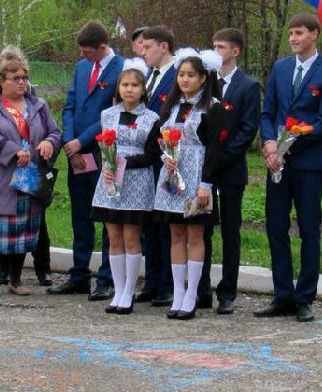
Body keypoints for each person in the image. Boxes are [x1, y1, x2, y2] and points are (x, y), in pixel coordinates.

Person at [255, 13, 322, 323]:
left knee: (308, 229)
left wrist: (291, 140)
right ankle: (282, 295)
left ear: (314, 35)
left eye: (299, 33)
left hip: (308, 163)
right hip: (276, 162)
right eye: (290, 33)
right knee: (276, 227)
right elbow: (268, 113)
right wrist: (269, 144)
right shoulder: (280, 68)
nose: (293, 38)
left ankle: (304, 297)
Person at [0, 46, 60, 298]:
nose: (21, 83)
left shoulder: (38, 105)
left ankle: (16, 279)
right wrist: (12, 151)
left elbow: (54, 131)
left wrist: (49, 143)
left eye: (24, 78)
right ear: (1, 80)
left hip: (29, 178)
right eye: (15, 78)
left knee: (23, 229)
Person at [48, 20, 123, 301]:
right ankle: (79, 273)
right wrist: (70, 140)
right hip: (76, 152)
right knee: (80, 214)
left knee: (106, 215)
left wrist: (85, 139)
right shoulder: (82, 68)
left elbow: (114, 112)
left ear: (102, 47)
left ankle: (106, 277)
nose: (83, 57)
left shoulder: (122, 68)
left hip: (103, 151)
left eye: (88, 52)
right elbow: (69, 105)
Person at [153, 49, 225, 320]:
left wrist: (206, 184)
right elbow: (159, 138)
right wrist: (165, 156)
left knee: (195, 236)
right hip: (172, 177)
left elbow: (215, 149)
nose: (185, 80)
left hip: (197, 177)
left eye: (191, 75)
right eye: (181, 74)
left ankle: (193, 293)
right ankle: (178, 293)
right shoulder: (171, 106)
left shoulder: (213, 107)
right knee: (176, 235)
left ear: (203, 78)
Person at [197, 28, 261, 314]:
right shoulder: (204, 83)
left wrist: (222, 157)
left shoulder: (248, 86)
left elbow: (248, 130)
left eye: (221, 46)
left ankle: (228, 292)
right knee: (203, 228)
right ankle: (201, 289)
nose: (215, 51)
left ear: (235, 51)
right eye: (213, 45)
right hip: (204, 169)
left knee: (230, 231)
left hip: (231, 168)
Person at [90, 58, 160, 315]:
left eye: (134, 85)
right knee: (113, 237)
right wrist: (108, 163)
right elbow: (102, 145)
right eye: (125, 85)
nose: (129, 89)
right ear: (118, 88)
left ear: (142, 89)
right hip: (110, 180)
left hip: (136, 180)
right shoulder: (107, 115)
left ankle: (129, 291)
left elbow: (153, 154)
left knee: (131, 237)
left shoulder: (152, 118)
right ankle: (117, 289)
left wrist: (125, 163)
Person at [135, 25, 177, 307]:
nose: (143, 52)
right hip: (146, 158)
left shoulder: (177, 75)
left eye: (148, 47)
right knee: (148, 224)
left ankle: (166, 284)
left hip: (166, 154)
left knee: (164, 226)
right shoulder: (149, 76)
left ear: (163, 46)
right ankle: (151, 281)